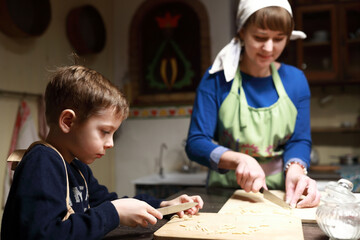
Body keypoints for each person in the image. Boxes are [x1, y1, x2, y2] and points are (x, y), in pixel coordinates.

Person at [1, 65, 203, 240]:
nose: (111, 143)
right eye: (105, 132)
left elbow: (108, 201)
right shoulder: (42, 162)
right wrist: (113, 213)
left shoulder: (77, 167)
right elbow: (45, 235)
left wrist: (165, 205)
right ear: (68, 122)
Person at [185, 0, 320, 208]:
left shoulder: (295, 80)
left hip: (280, 192)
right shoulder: (217, 79)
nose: (269, 48)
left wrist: (295, 169)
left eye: (279, 39)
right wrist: (239, 160)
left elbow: (299, 140)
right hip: (224, 193)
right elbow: (196, 142)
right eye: (260, 37)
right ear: (241, 32)